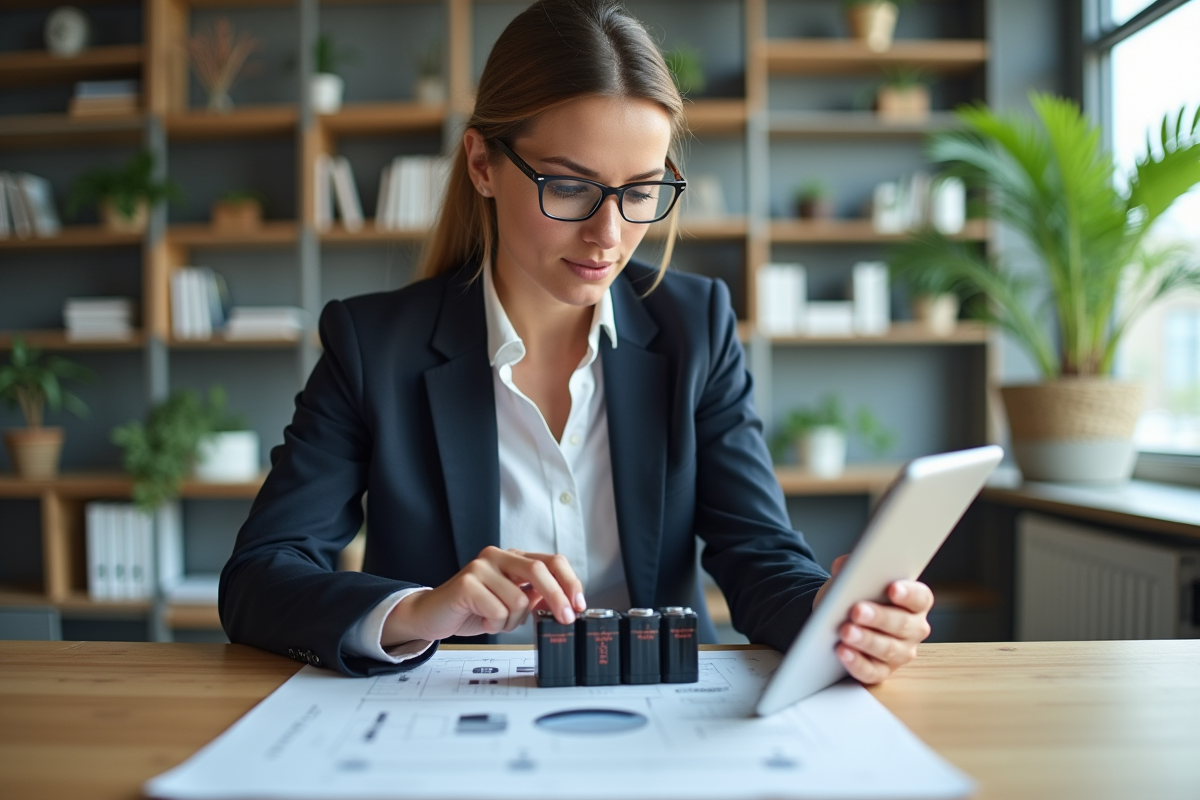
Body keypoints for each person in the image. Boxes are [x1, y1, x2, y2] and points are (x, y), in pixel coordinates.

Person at [220, 0, 933, 682]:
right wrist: (420, 610)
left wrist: (833, 615)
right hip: (453, 725)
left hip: (661, 713)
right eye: (569, 187)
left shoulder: (697, 326)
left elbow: (758, 552)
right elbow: (260, 577)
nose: (609, 235)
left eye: (640, 190)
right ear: (481, 165)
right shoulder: (375, 346)